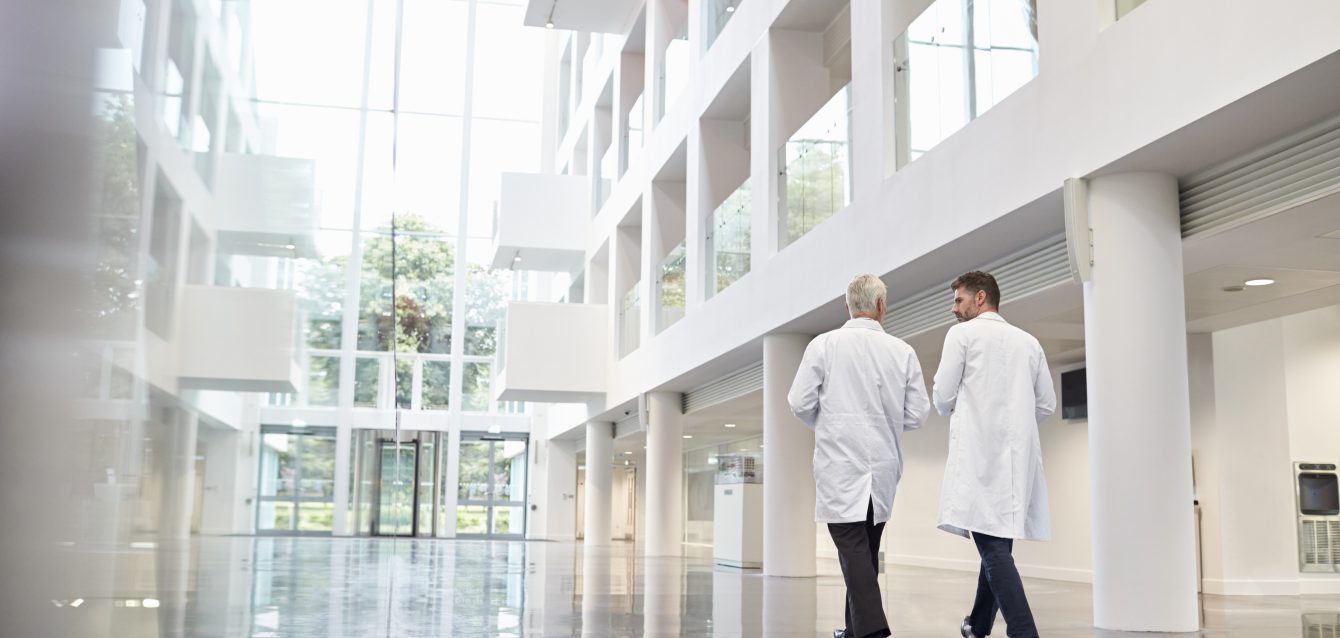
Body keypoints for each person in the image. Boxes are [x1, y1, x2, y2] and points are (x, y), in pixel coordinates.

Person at [788, 274, 931, 638]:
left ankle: (872, 632)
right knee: (864, 554)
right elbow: (917, 415)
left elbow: (798, 402)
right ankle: (855, 631)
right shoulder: (902, 351)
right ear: (881, 306)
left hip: (840, 468)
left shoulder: (824, 346)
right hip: (882, 470)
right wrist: (884, 422)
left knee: (855, 555)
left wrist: (830, 422)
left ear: (847, 306)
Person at [931, 271, 1056, 638]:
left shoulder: (962, 336)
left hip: (978, 457)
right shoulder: (1029, 342)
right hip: (1017, 463)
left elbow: (941, 397)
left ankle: (1023, 631)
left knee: (994, 551)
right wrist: (1015, 424)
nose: (954, 308)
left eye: (958, 300)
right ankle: (979, 624)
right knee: (996, 545)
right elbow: (1046, 404)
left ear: (980, 298)